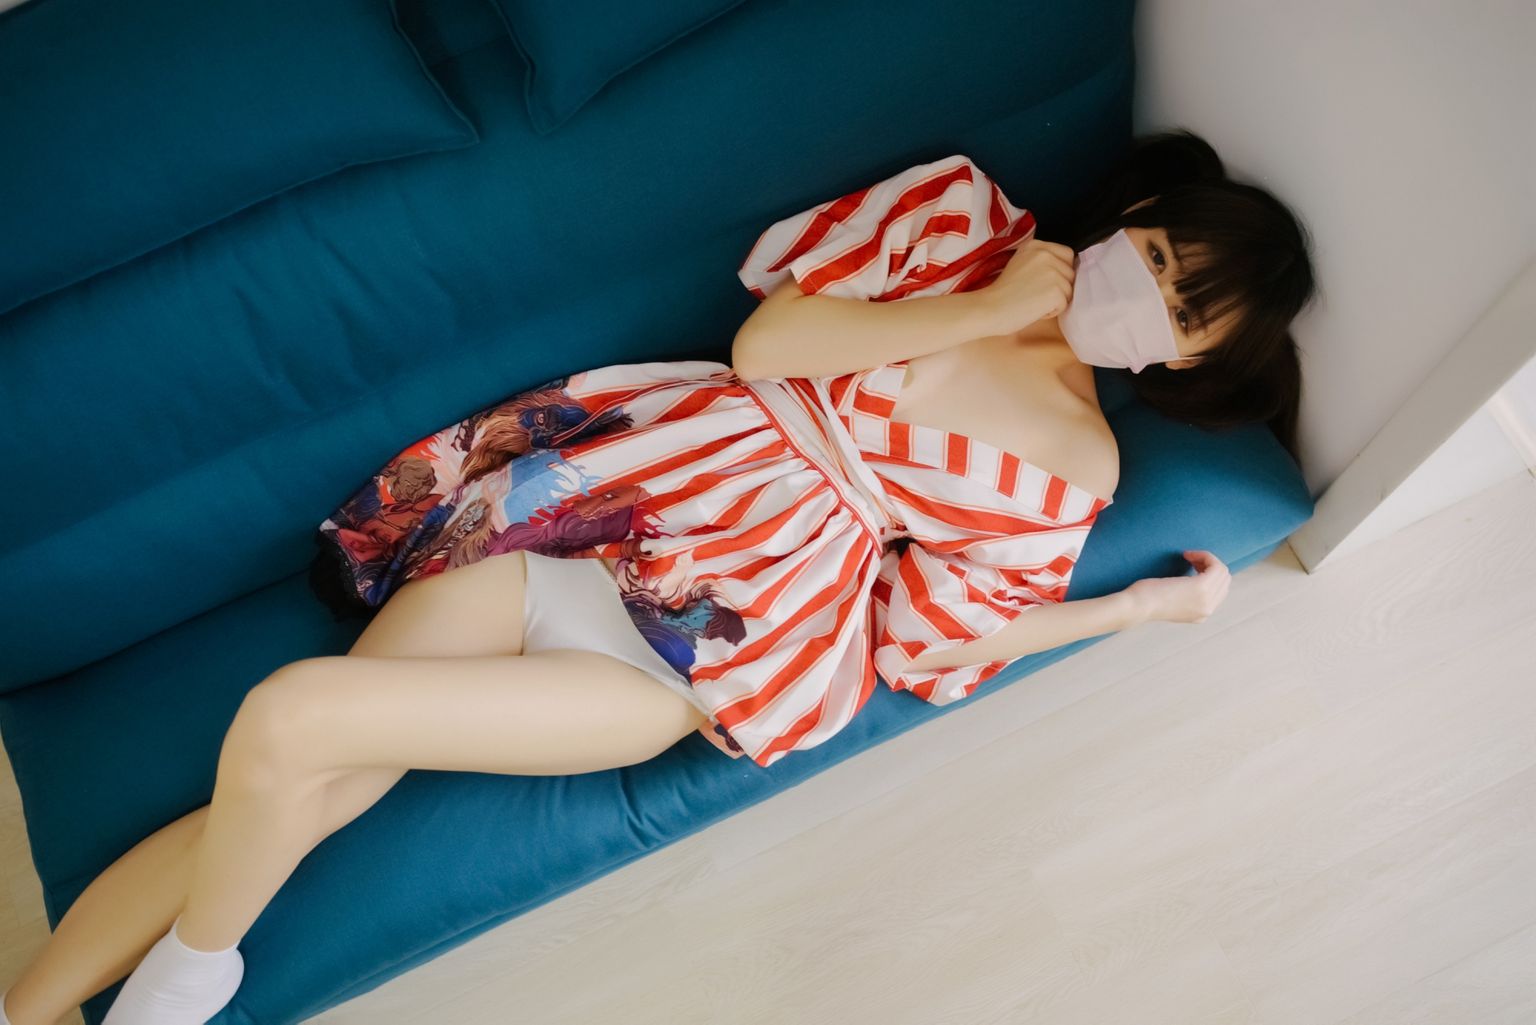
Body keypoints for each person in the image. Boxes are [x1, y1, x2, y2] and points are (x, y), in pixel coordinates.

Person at [0, 129, 1316, 1025]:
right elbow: (768, 347)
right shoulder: (963, 222)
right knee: (316, 783)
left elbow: (931, 640)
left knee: (293, 721)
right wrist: (987, 307)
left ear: (1191, 361)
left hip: (707, 642)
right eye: (1159, 260)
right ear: (1133, 219)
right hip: (597, 511)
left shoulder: (1080, 466)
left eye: (1185, 315)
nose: (1151, 300)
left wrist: (1138, 607)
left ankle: (190, 977)